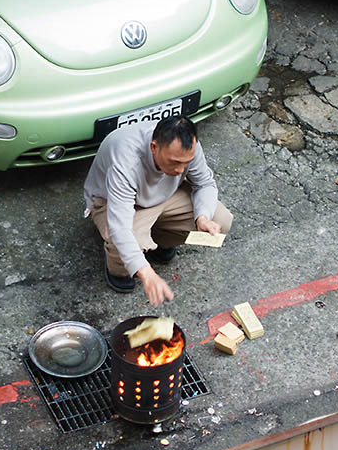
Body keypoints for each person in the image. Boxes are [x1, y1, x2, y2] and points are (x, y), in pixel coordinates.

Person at [83, 116, 233, 307]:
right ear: (154, 147)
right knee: (123, 240)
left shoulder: (187, 148)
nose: (180, 169)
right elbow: (119, 226)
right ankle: (118, 269)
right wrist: (146, 271)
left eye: (186, 163)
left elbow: (205, 184)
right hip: (114, 203)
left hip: (164, 195)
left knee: (220, 219)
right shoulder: (126, 160)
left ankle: (161, 238)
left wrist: (202, 218)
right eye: (174, 162)